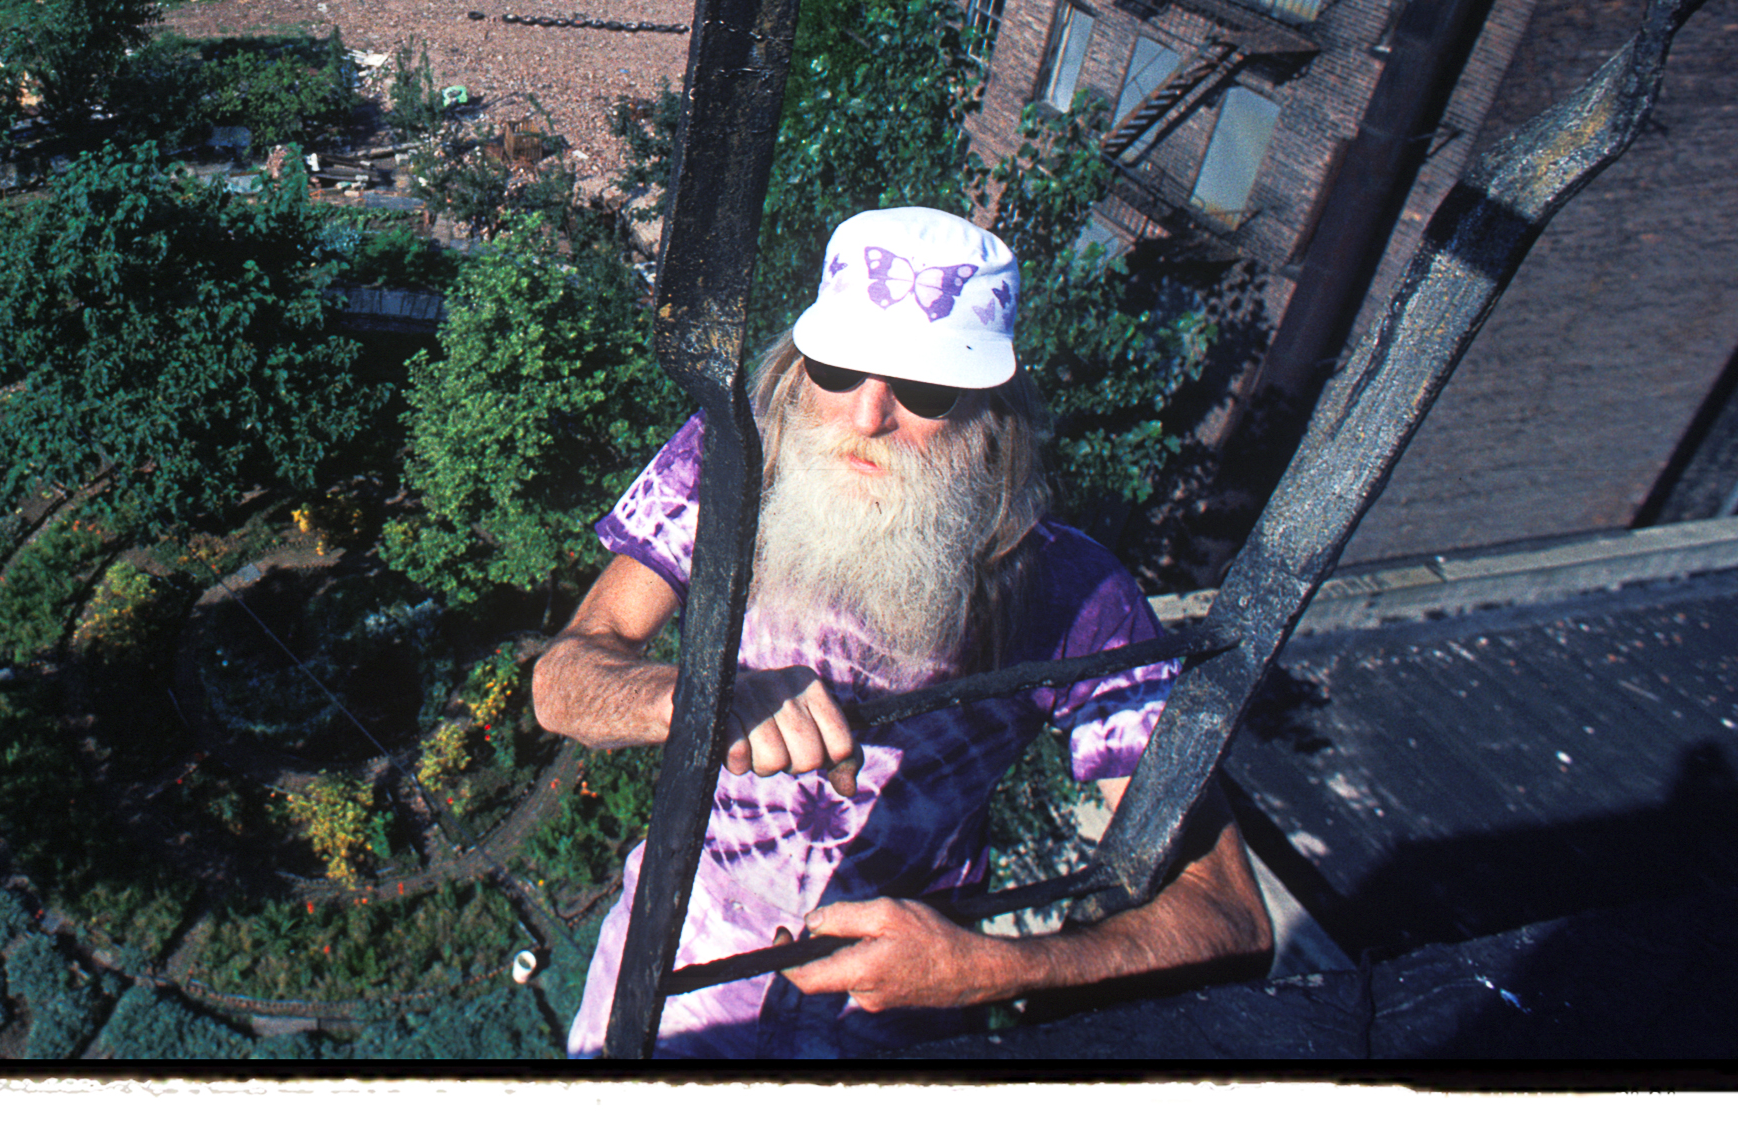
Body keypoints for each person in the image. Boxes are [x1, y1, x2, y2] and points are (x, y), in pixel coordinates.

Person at [533, 205, 1271, 1058]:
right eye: (838, 367)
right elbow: (563, 680)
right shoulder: (726, 469)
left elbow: (1230, 916)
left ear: (993, 413)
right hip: (671, 954)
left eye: (925, 389)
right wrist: (696, 698)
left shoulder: (1074, 595)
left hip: (897, 1010)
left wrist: (993, 970)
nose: (868, 414)